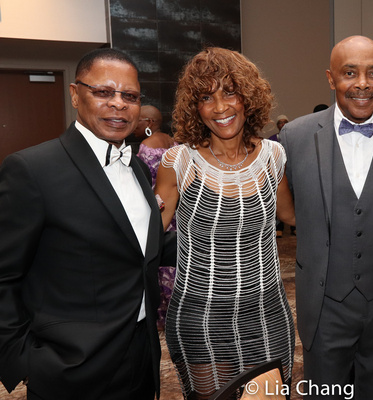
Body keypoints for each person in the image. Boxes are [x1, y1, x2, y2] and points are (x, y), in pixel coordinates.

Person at [0, 48, 170, 399]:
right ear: (76, 94)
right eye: (104, 92)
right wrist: (24, 361)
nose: (119, 104)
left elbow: (136, 250)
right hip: (72, 369)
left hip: (142, 354)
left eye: (130, 96)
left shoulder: (136, 165)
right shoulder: (32, 169)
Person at [280, 35, 373, 399]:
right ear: (331, 79)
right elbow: (282, 214)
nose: (363, 84)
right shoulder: (294, 137)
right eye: (350, 73)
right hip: (324, 307)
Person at [154, 47, 296, 400]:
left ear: (248, 97)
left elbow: (291, 216)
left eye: (230, 92)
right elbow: (147, 236)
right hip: (201, 317)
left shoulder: (273, 156)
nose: (220, 107)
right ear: (194, 106)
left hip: (267, 312)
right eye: (206, 97)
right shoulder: (179, 162)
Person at [135, 105, 177, 330]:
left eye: (138, 121)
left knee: (159, 262)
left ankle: (163, 315)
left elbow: (145, 186)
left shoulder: (146, 148)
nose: (134, 126)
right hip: (178, 213)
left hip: (159, 213)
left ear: (149, 122)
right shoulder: (174, 143)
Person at [268, 114, 290, 237]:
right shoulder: (271, 139)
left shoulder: (293, 136)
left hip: (291, 171)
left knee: (292, 198)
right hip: (276, 172)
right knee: (278, 199)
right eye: (280, 122)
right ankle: (278, 227)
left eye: (285, 122)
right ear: (277, 125)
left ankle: (294, 227)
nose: (282, 124)